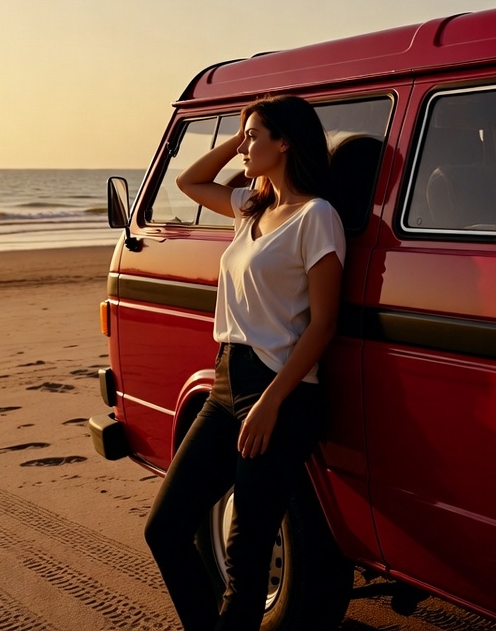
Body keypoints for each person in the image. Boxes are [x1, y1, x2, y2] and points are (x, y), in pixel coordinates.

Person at [144, 94, 346, 631]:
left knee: (246, 554)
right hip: (227, 379)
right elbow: (189, 182)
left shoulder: (317, 217)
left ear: (287, 142)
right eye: (245, 137)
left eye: (257, 136)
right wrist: (241, 135)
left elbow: (323, 324)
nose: (245, 146)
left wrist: (271, 403)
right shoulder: (250, 207)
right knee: (165, 529)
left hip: (281, 390)